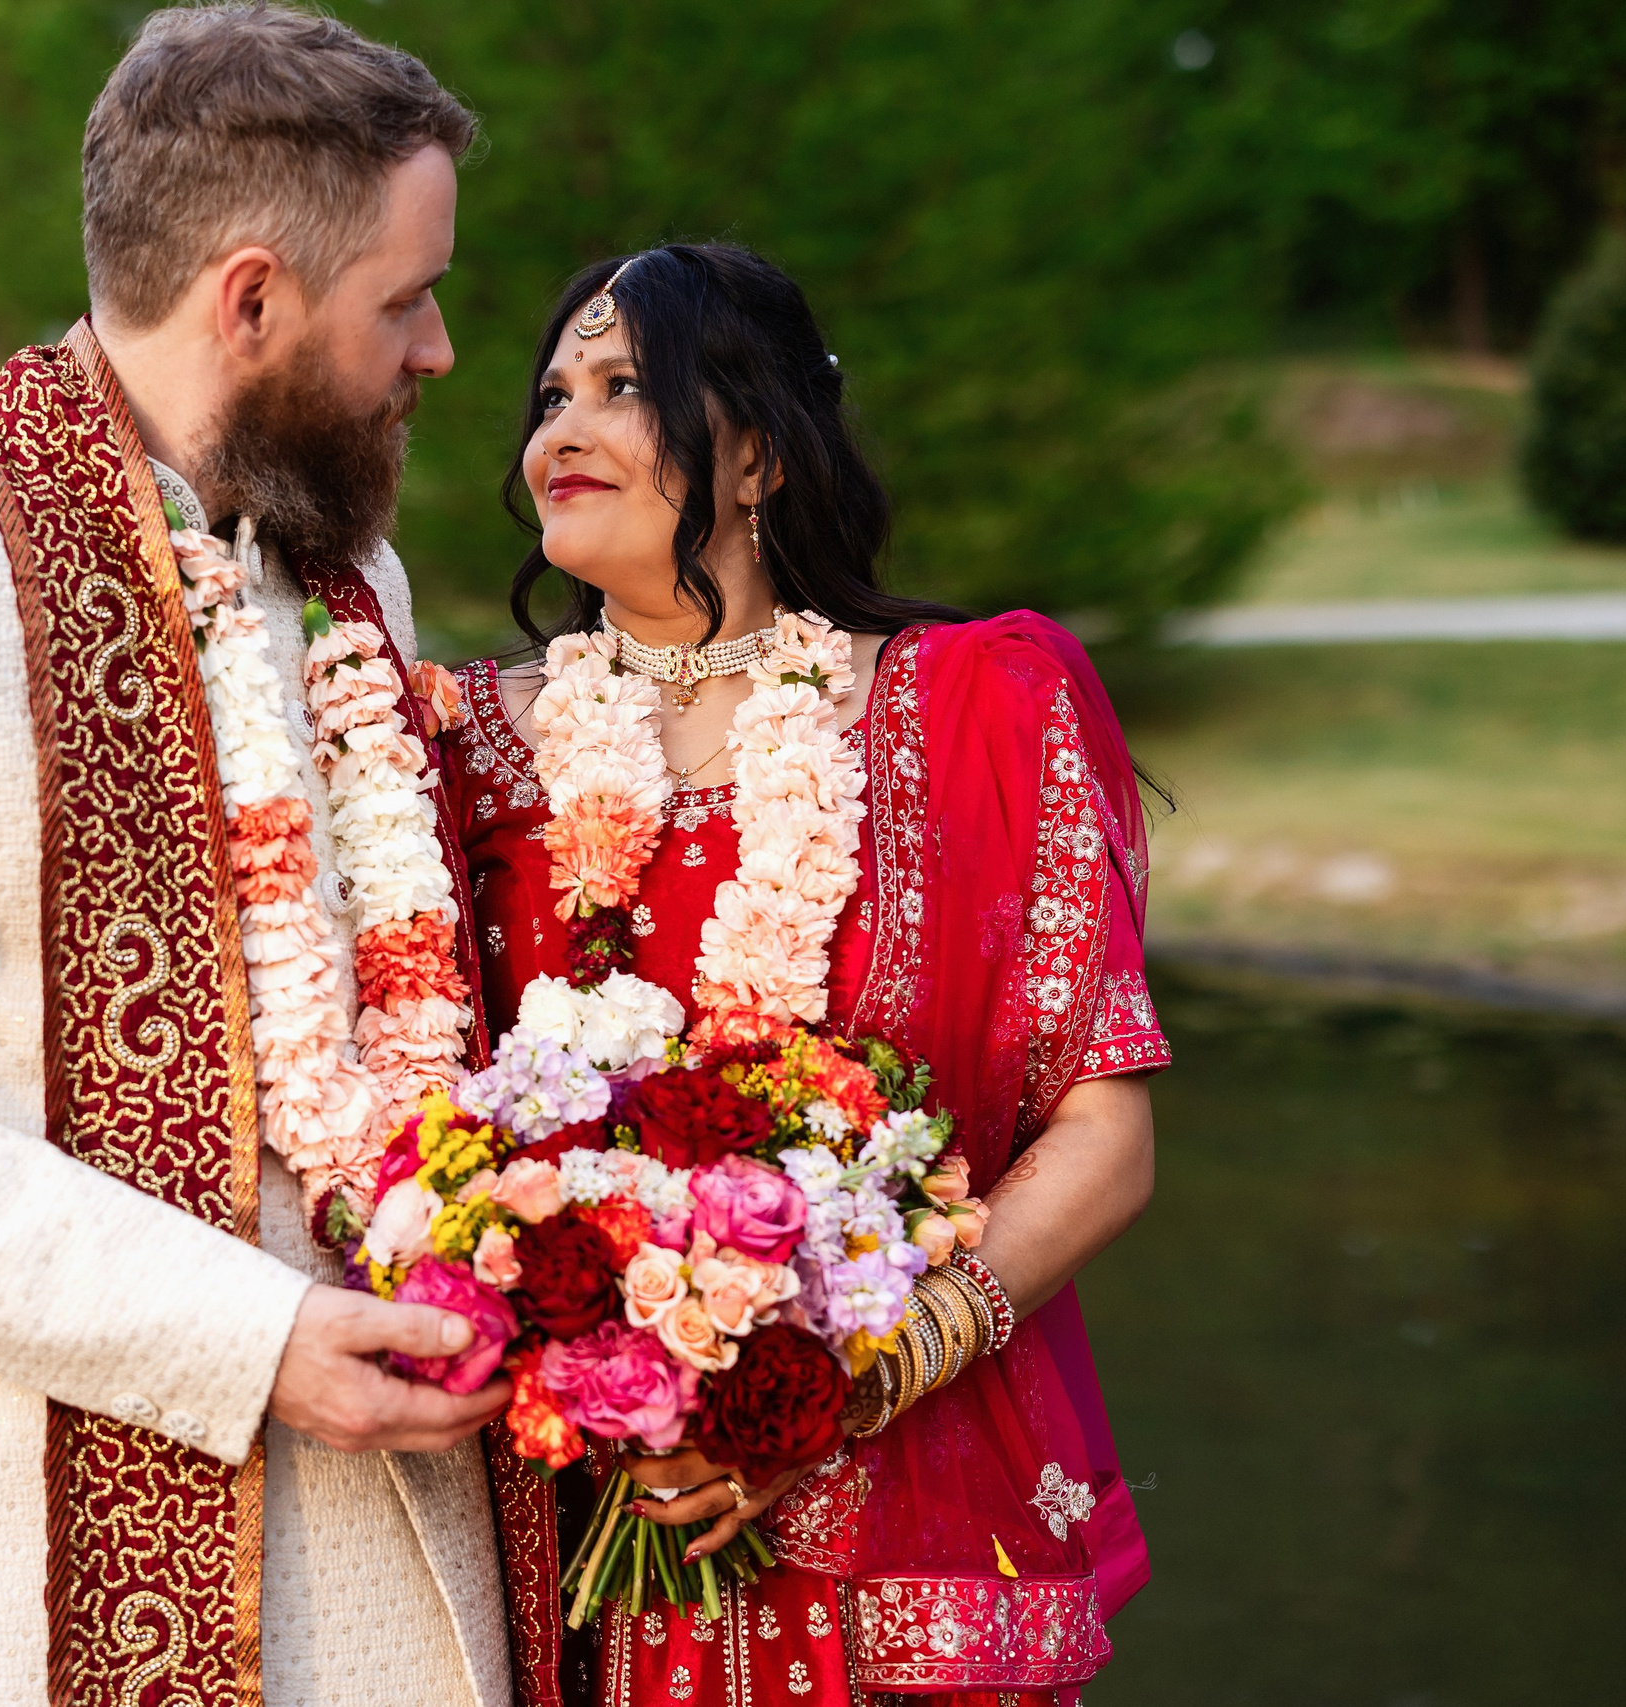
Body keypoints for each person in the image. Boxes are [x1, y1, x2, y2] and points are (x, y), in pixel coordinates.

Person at [0, 8, 516, 1705]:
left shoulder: (355, 589)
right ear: (255, 298)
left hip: (395, 1580)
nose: (433, 350)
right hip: (14, 1595)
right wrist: (256, 1339)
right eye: (405, 299)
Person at [446, 244, 1170, 1705]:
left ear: (760, 450)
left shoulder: (980, 705)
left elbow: (1104, 1136)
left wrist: (836, 1389)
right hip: (574, 1541)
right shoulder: (455, 751)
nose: (559, 433)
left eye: (623, 388)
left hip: (903, 1515)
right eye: (550, 396)